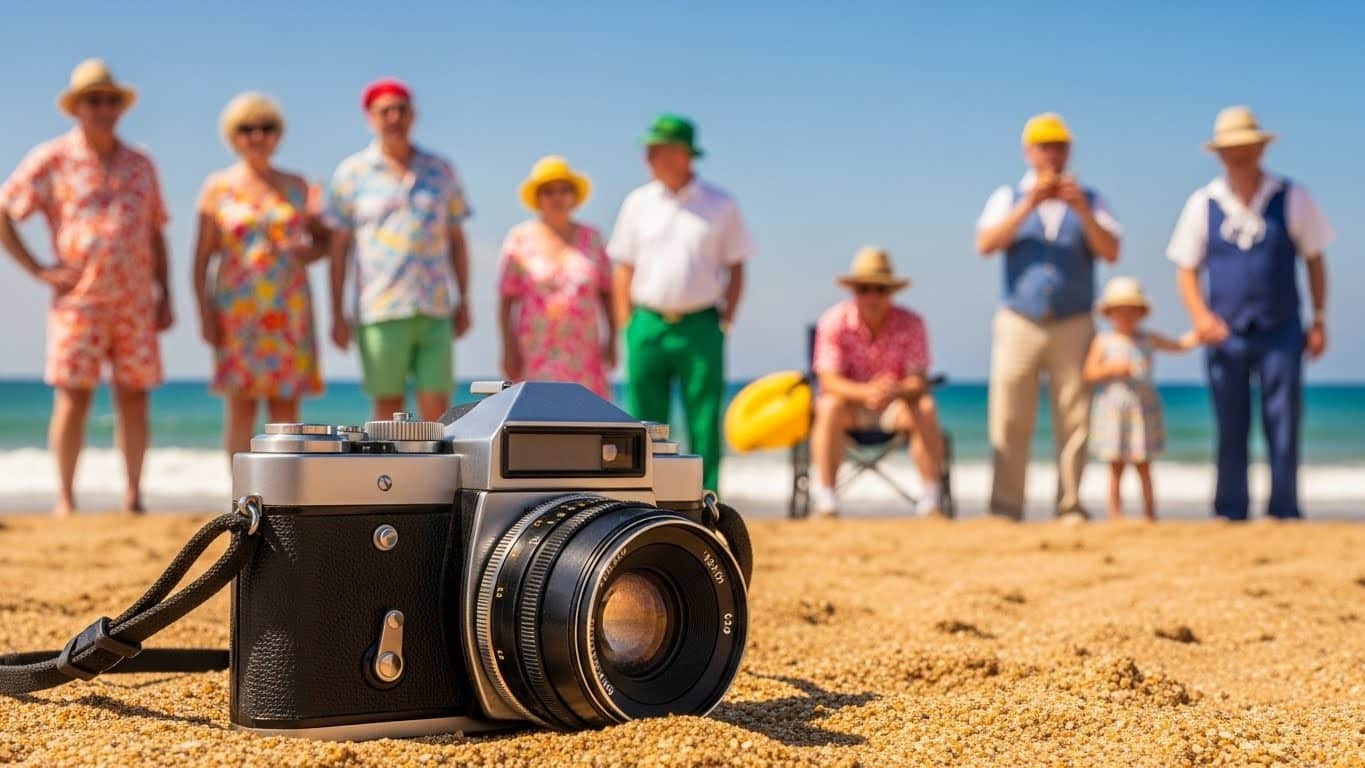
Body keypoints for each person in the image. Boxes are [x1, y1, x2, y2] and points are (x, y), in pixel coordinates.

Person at [0, 59, 173, 517]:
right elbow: (4, 209)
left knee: (134, 398)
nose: (103, 107)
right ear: (77, 107)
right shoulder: (51, 159)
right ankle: (65, 498)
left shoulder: (141, 163)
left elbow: (156, 231)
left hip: (136, 302)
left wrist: (166, 293)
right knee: (73, 397)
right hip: (78, 302)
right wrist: (38, 269)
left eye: (111, 99)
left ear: (121, 107)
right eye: (94, 100)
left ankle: (134, 496)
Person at [1166, 106, 1334, 521]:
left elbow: (1314, 260)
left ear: (1261, 148)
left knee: (1284, 421)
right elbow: (1186, 267)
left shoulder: (1292, 197)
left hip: (1282, 328)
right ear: (1219, 154)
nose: (1239, 155)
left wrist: (1320, 319)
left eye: (1246, 147)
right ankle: (1230, 509)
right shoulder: (1202, 202)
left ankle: (1284, 509)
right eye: (1231, 149)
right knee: (1230, 422)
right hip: (1226, 332)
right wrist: (1200, 317)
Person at [974, 112, 1122, 522]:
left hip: (1074, 321)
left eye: (1059, 146)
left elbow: (1111, 251)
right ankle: (1005, 506)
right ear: (1028, 152)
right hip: (1019, 320)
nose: (1052, 154)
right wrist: (1029, 205)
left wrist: (1082, 210)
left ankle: (1070, 503)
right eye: (1044, 146)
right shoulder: (1007, 196)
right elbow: (986, 243)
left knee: (1074, 419)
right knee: (1008, 416)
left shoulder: (1092, 199)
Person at [609, 114, 755, 492]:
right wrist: (627, 323)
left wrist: (727, 321)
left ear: (682, 154)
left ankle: (706, 498)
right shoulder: (636, 203)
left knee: (704, 420)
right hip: (647, 324)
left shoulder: (721, 204)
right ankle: (643, 498)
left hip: (701, 325)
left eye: (656, 149)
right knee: (642, 422)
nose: (647, 157)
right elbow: (623, 267)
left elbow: (737, 267)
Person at [325, 78, 472, 421]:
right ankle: (392, 475)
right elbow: (339, 248)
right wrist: (336, 312)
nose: (394, 117)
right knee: (388, 411)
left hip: (435, 306)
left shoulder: (440, 169)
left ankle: (438, 476)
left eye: (401, 109)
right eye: (385, 110)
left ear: (413, 115)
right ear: (370, 118)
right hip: (379, 307)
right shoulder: (352, 173)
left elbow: (457, 240)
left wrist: (463, 300)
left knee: (439, 410)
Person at [193, 93, 325, 460]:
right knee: (240, 407)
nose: (257, 136)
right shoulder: (217, 187)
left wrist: (307, 251)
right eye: (247, 129)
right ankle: (239, 496)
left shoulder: (298, 186)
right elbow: (201, 257)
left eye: (266, 128)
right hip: (237, 312)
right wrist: (205, 313)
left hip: (289, 310)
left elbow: (324, 243)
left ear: (277, 134)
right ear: (233, 136)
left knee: (285, 411)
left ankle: (279, 499)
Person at [810, 247, 945, 518]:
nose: (872, 296)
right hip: (849, 410)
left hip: (896, 409)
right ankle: (826, 498)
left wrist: (895, 389)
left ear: (891, 292)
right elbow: (828, 379)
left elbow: (918, 380)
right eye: (864, 288)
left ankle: (931, 499)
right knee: (828, 406)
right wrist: (866, 392)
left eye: (879, 289)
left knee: (926, 407)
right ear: (854, 291)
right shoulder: (834, 321)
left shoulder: (912, 323)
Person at [1083, 277, 1198, 521]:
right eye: (1120, 311)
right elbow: (1089, 373)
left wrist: (1198, 334)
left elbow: (1178, 345)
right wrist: (1113, 369)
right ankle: (1115, 515)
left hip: (1141, 411)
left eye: (1131, 311)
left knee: (1144, 466)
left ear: (1140, 313)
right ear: (1110, 313)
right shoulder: (1103, 341)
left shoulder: (1148, 339)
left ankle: (1150, 514)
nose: (1125, 316)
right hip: (1115, 412)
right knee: (1115, 468)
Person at [499, 156, 615, 397]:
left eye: (564, 190)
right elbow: (506, 299)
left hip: (583, 352)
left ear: (574, 197)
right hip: (535, 351)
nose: (557, 197)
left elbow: (607, 293)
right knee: (537, 418)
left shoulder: (592, 238)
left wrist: (612, 339)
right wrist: (509, 348)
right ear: (538, 198)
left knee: (587, 419)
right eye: (549, 192)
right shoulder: (520, 238)